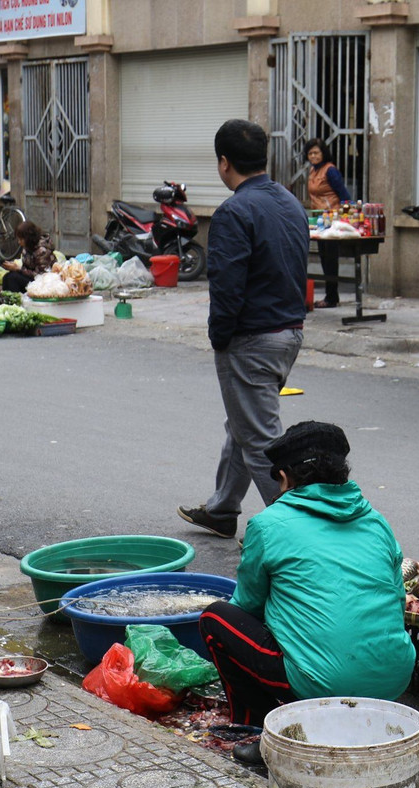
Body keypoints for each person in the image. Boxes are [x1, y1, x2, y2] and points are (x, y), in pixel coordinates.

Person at [198, 421, 415, 764]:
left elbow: (249, 605)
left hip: (323, 682)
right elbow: (396, 601)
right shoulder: (376, 521)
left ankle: (259, 731)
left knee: (215, 618)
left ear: (284, 478)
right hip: (393, 676)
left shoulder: (268, 525)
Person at [178, 120, 309, 539]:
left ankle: (297, 532)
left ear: (224, 162)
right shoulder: (289, 201)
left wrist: (220, 338)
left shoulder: (235, 211)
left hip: (252, 338)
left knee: (260, 440)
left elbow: (227, 288)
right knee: (244, 426)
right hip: (288, 333)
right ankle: (222, 508)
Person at [305, 138, 351, 309]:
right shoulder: (312, 171)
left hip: (332, 219)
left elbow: (344, 194)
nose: (313, 156)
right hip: (319, 219)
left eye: (316, 152)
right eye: (310, 153)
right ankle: (331, 295)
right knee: (324, 257)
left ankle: (332, 297)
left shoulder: (330, 170)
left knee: (330, 258)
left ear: (323, 153)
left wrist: (346, 217)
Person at [0, 220, 55, 293]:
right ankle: (6, 299)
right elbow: (26, 267)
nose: (19, 242)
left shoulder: (42, 251)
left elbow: (42, 275)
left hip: (43, 283)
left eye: (21, 239)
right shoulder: (27, 247)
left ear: (28, 238)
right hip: (31, 278)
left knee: (12, 278)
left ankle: (14, 302)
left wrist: (18, 269)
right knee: (7, 276)